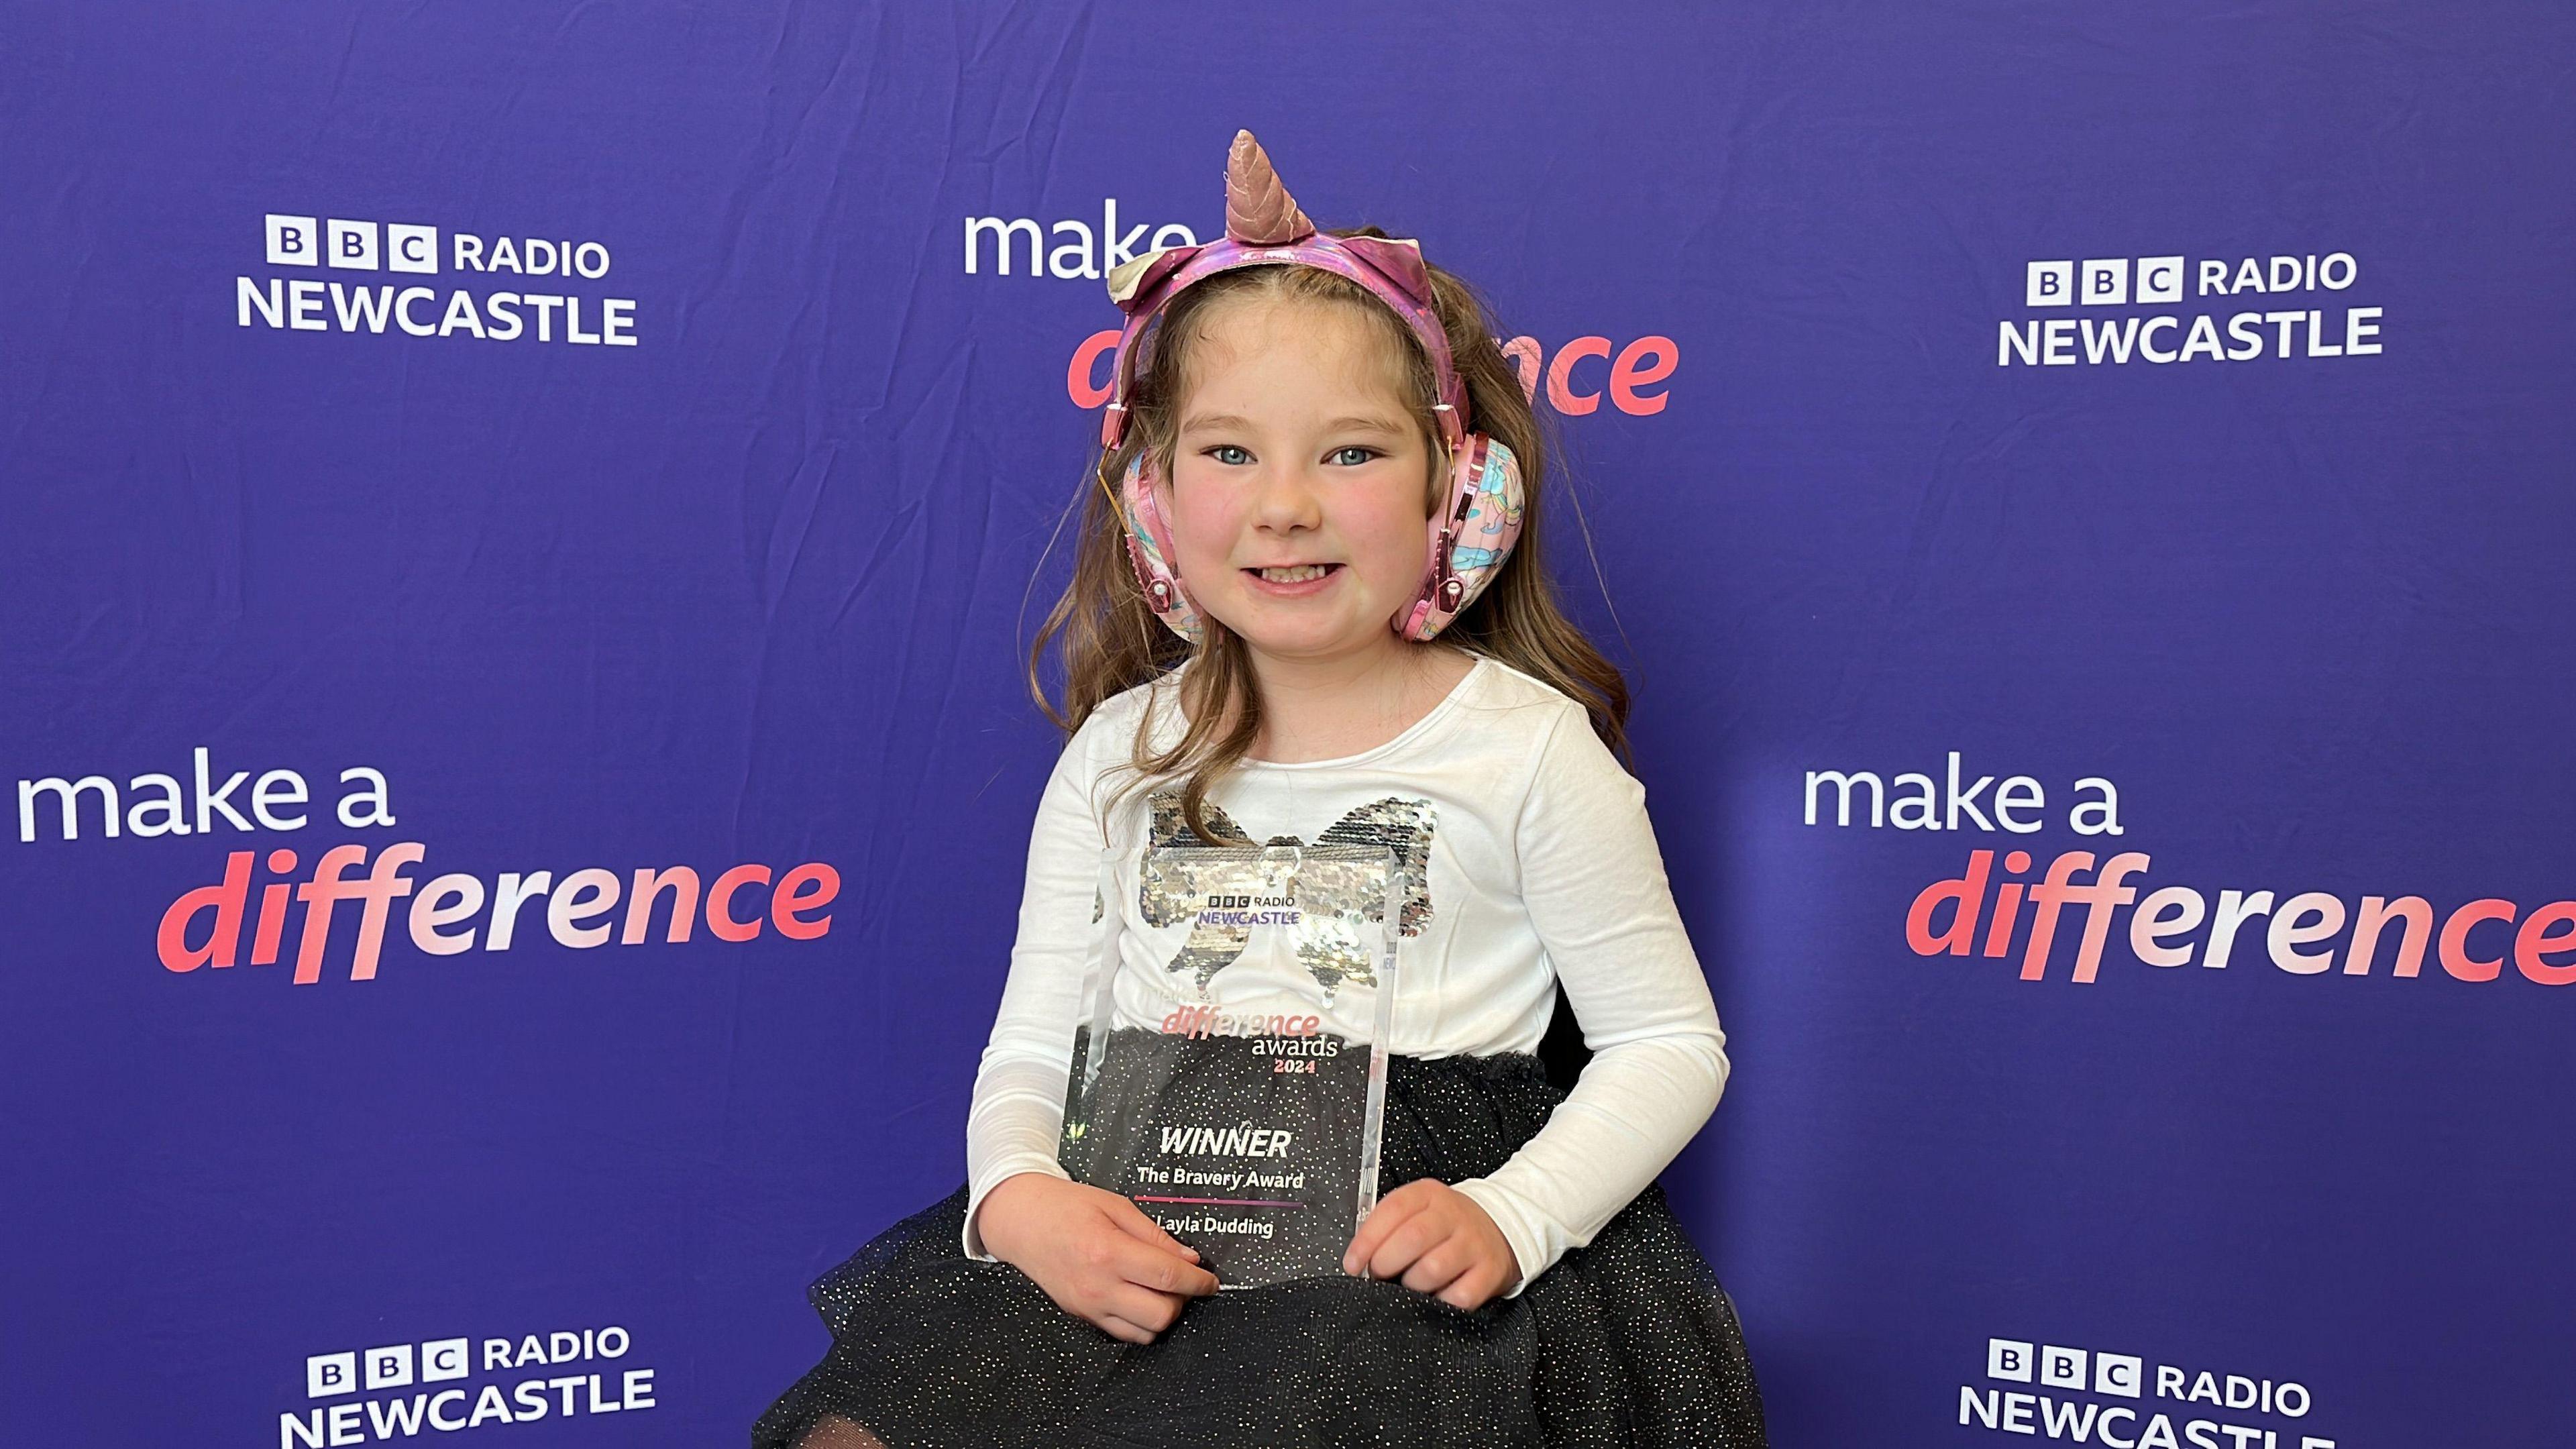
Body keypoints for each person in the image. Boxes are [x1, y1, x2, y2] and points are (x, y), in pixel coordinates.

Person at [754, 129, 1767, 1449]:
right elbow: (1035, 1040)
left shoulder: (1524, 752)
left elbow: (1667, 1043)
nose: (1284, 506)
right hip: (1137, 1206)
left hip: (1395, 1248)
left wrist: (1513, 1215)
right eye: (1230, 454)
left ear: (1461, 495)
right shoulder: (1120, 753)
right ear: (1155, 499)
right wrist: (1017, 1199)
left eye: (1350, 455)